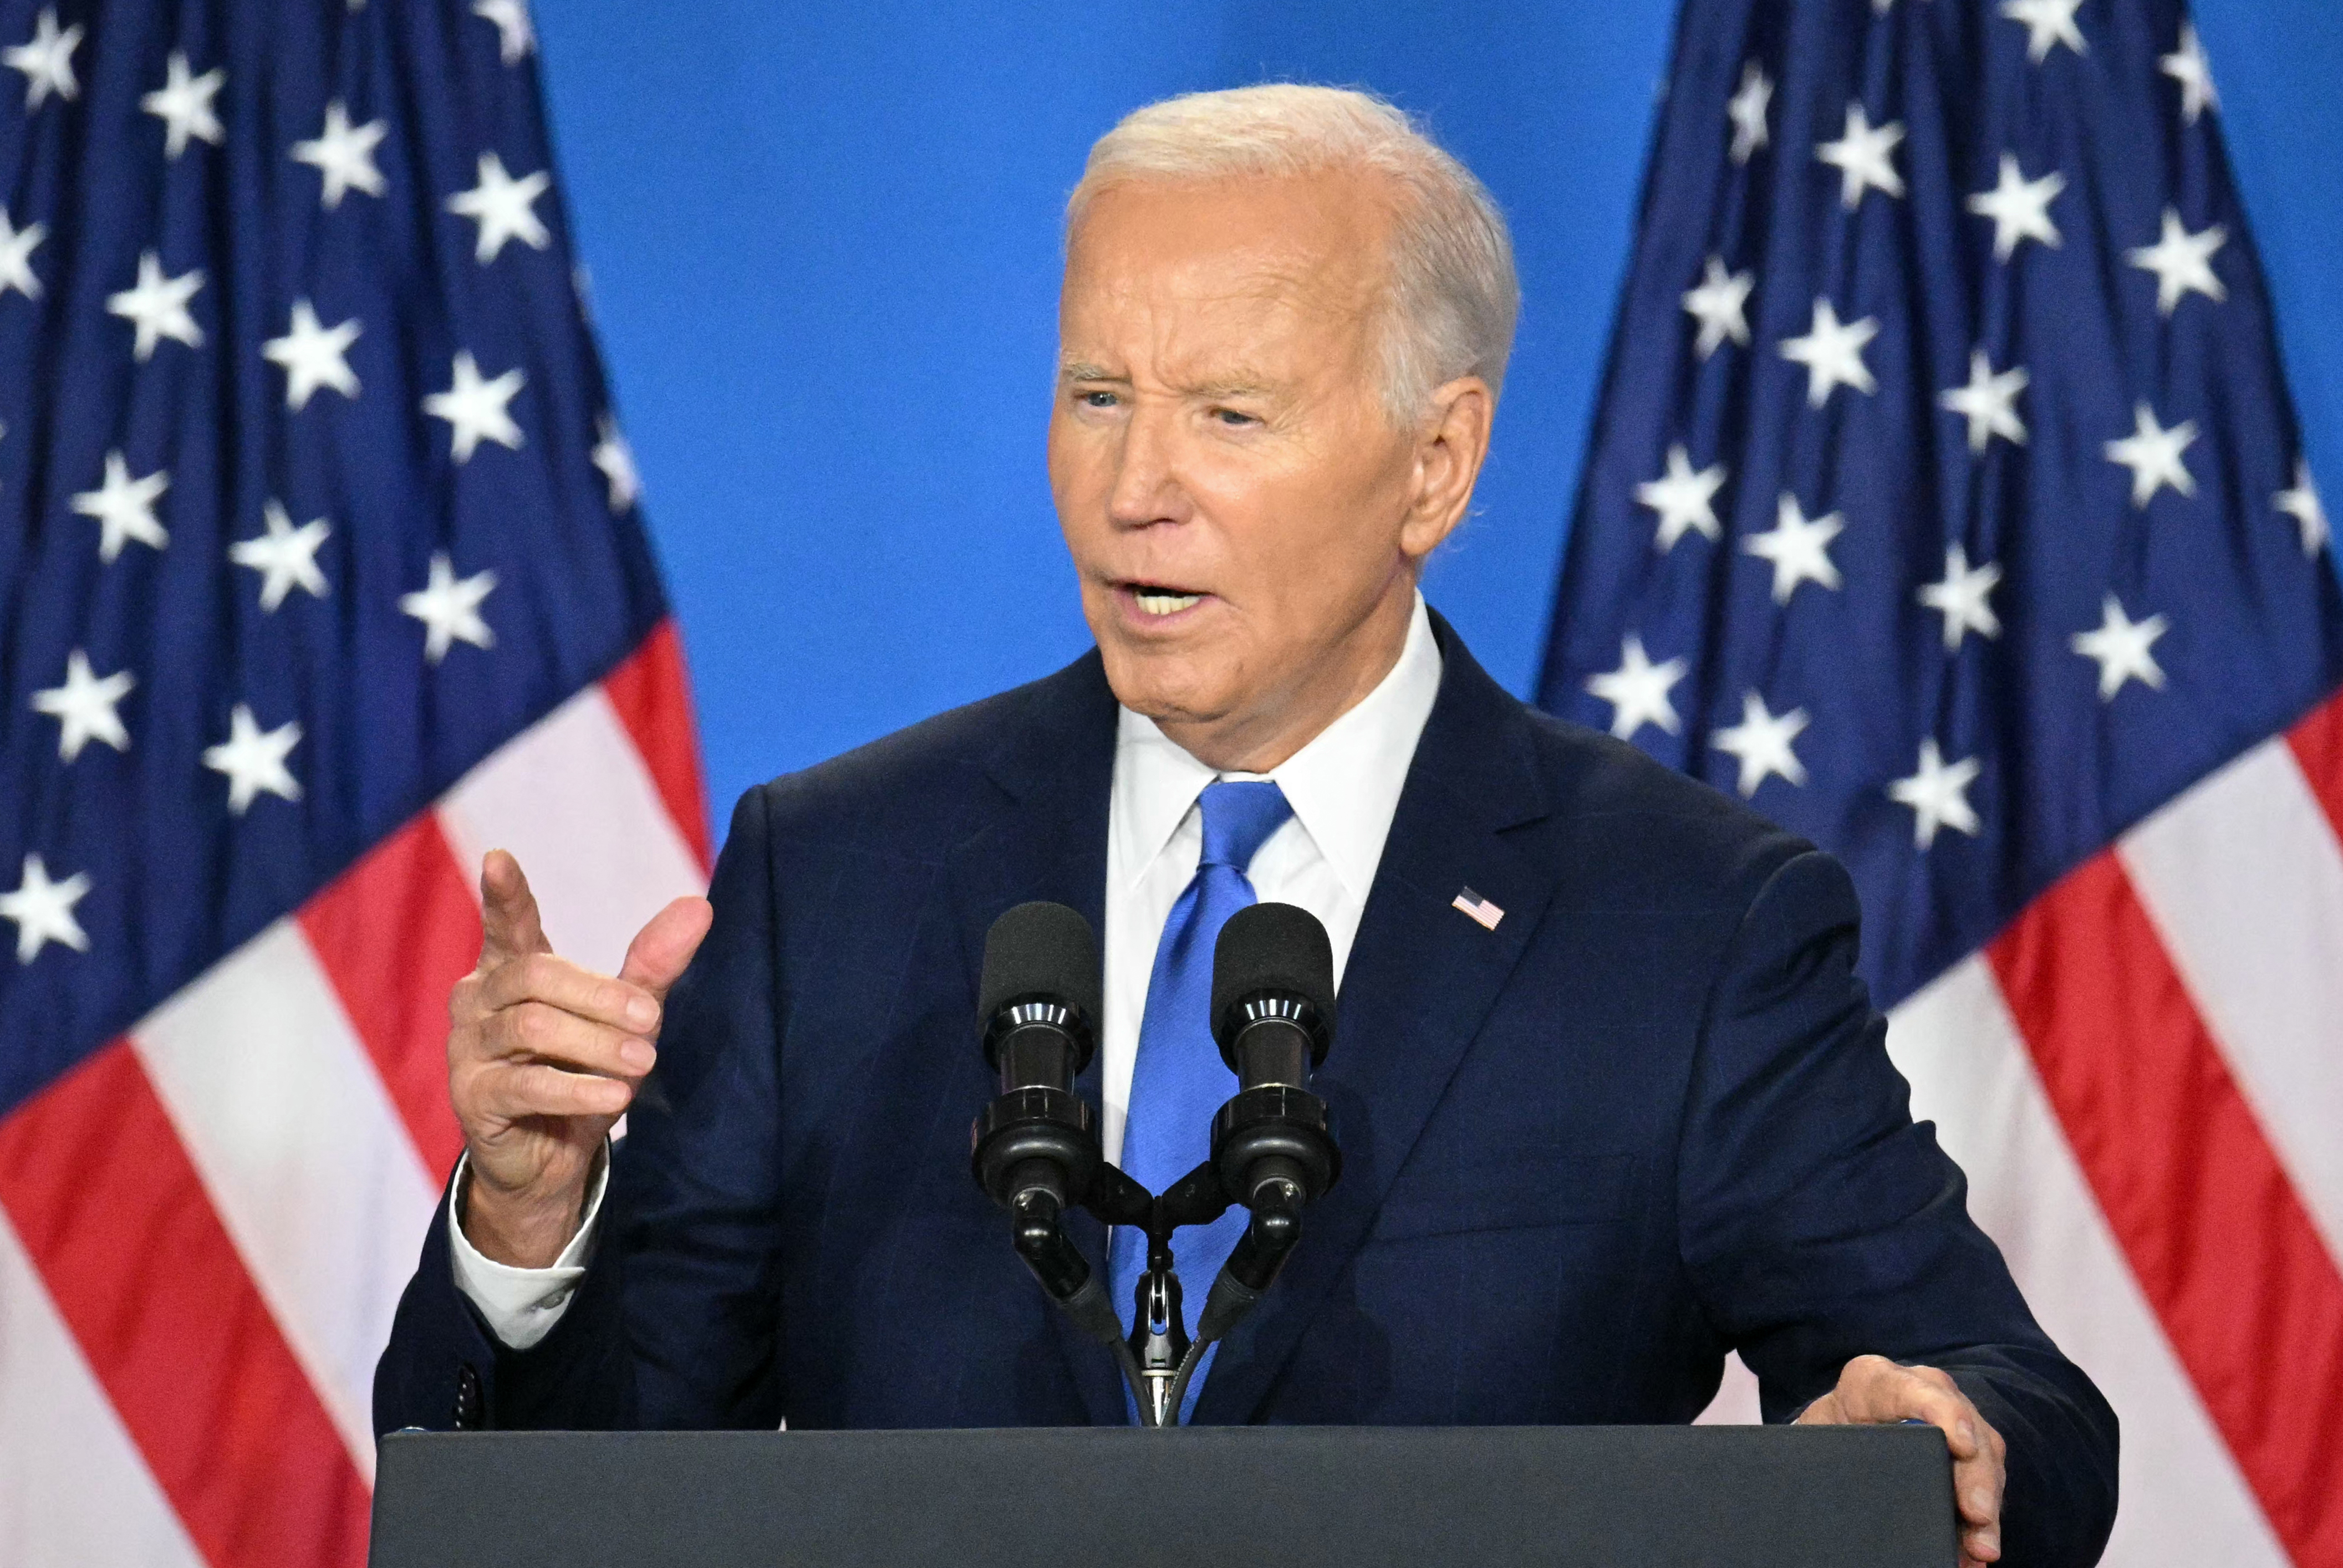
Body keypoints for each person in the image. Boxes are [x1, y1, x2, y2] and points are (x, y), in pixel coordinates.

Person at [375, 85, 2116, 1568]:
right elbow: (580, 1501)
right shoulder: (832, 876)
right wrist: (531, 1227)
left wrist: (1938, 1430)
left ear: (1435, 465)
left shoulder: (1683, 921)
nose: (1137, 488)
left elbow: (2007, 1394)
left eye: (1228, 414)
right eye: (1096, 395)